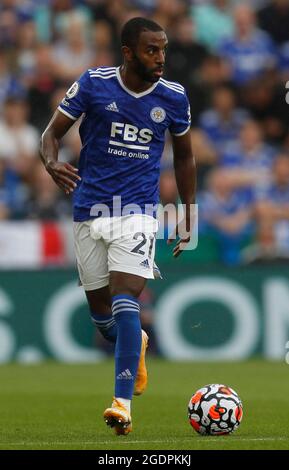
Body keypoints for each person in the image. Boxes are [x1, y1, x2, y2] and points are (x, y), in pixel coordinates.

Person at [40, 17, 196, 436]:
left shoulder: (174, 97)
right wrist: (51, 163)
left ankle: (121, 403)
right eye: (151, 50)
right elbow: (50, 135)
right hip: (89, 208)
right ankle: (137, 342)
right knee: (104, 320)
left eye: (163, 49)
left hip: (139, 211)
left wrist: (188, 211)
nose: (160, 57)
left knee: (127, 294)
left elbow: (184, 157)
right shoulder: (94, 84)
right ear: (127, 51)